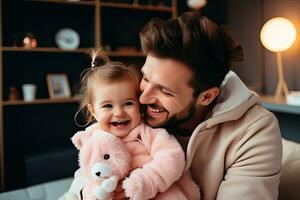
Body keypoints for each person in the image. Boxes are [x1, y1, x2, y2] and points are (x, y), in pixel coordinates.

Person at [137, 11, 282, 200]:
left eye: (165, 91)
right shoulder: (134, 104)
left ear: (206, 97)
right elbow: (95, 155)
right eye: (146, 78)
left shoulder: (255, 131)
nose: (143, 98)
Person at [59, 50, 200, 200]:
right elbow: (87, 173)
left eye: (128, 103)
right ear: (93, 111)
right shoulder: (92, 138)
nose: (119, 113)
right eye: (107, 106)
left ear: (139, 104)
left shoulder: (149, 132)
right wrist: (92, 192)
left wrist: (145, 181)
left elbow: (172, 158)